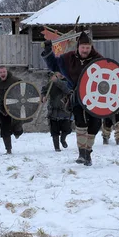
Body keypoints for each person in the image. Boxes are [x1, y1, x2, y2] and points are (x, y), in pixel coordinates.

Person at [42, 31, 103, 166]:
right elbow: (54, 65)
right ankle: (82, 153)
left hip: (96, 97)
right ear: (78, 47)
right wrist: (48, 51)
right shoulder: (69, 58)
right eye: (83, 47)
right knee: (80, 122)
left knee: (95, 124)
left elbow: (106, 74)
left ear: (91, 47)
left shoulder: (98, 59)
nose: (85, 50)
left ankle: (88, 152)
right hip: (77, 95)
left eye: (88, 48)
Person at [41, 71, 72, 152]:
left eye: (62, 71)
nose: (61, 74)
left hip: (65, 112)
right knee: (54, 131)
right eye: (59, 72)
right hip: (53, 111)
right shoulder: (51, 83)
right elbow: (44, 90)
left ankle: (62, 140)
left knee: (67, 129)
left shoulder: (69, 81)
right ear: (55, 73)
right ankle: (57, 148)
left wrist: (57, 81)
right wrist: (43, 97)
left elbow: (67, 90)